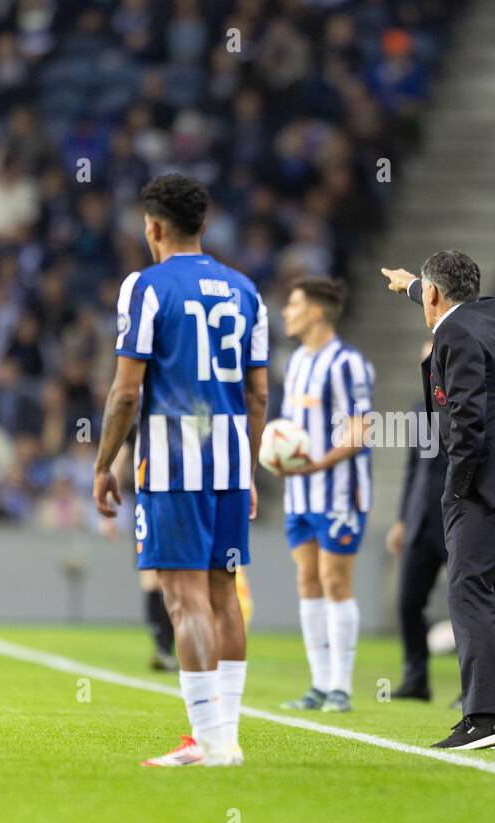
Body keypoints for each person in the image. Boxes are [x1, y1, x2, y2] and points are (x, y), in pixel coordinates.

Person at [92, 174, 269, 768]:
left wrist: (103, 463)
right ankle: (229, 736)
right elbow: (258, 395)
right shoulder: (247, 292)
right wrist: (246, 468)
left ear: (154, 227)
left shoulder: (144, 288)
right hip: (227, 458)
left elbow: (124, 393)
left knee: (183, 598)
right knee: (223, 597)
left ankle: (210, 743)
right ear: (204, 225)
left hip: (172, 458)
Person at [382, 251, 495, 750]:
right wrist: (411, 284)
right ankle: (492, 715)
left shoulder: (452, 334)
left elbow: (467, 423)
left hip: (488, 484)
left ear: (436, 295)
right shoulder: (484, 316)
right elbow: (445, 300)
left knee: (468, 592)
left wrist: (454, 491)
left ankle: (481, 717)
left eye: (424, 295)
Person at [272, 278, 374, 714]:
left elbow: (362, 428)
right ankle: (317, 684)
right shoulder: (295, 363)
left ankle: (341, 687)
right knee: (308, 581)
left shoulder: (349, 364)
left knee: (335, 581)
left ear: (315, 312)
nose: (285, 312)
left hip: (338, 493)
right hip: (300, 494)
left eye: (292, 304)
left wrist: (316, 464)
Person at [387, 343, 447, 701]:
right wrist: (401, 518)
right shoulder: (418, 409)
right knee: (409, 601)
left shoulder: (468, 402)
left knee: (466, 606)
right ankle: (416, 677)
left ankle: (473, 690)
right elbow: (414, 469)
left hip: (458, 518)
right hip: (421, 518)